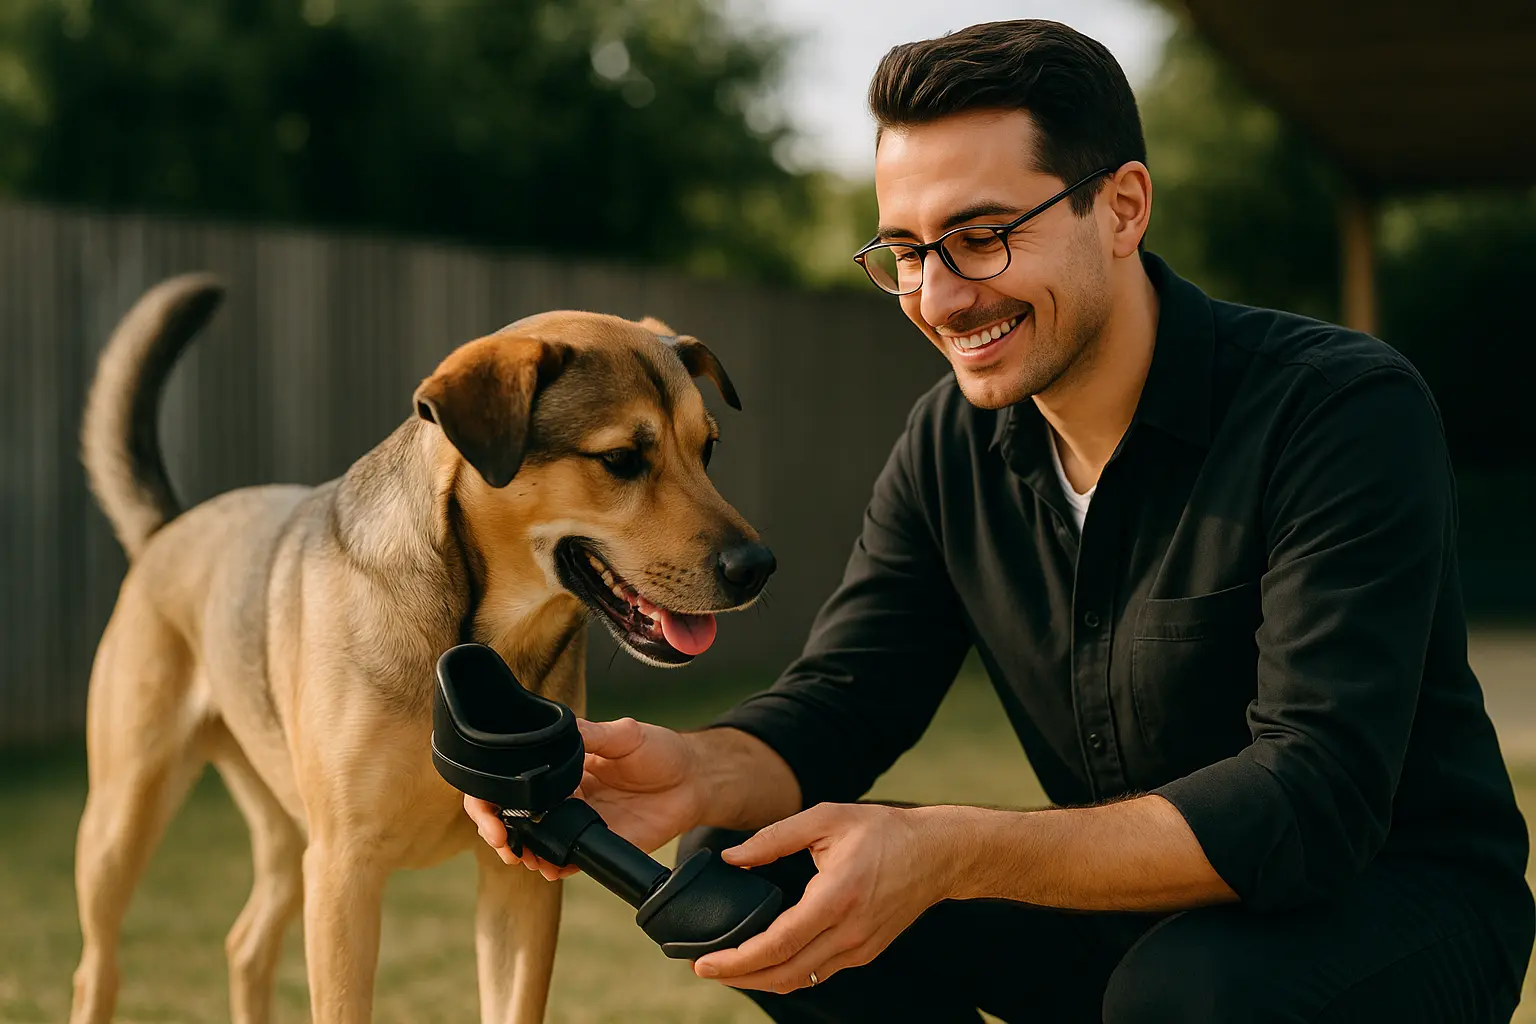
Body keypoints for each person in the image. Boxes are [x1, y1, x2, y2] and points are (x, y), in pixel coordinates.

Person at [467, 19, 1534, 1022]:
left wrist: (951, 848)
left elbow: (1313, 798)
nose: (939, 296)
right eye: (906, 251)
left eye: (981, 237)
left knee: (1184, 991)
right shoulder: (952, 445)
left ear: (1121, 207)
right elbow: (845, 701)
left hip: (1397, 908)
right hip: (1142, 914)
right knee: (759, 886)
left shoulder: (1337, 408)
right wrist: (684, 772)